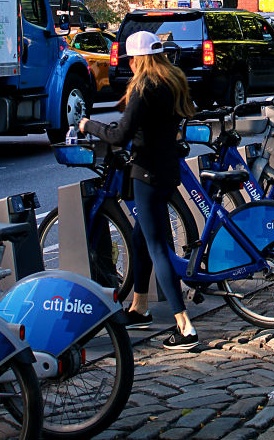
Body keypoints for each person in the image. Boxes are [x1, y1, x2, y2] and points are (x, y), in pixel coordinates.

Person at [78, 31, 200, 351]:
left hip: (146, 173)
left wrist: (88, 125)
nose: (129, 65)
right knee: (139, 238)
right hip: (167, 171)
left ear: (138, 60)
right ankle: (140, 306)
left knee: (157, 246)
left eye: (131, 59)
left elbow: (119, 135)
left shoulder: (143, 89)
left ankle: (184, 326)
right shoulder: (173, 82)